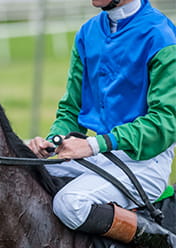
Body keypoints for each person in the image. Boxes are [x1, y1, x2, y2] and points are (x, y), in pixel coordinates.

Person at [28, 0, 176, 247]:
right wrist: (53, 141)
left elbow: (165, 123)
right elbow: (70, 109)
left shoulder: (162, 36)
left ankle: (164, 241)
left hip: (146, 162)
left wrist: (96, 144)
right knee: (22, 175)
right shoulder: (88, 33)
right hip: (99, 156)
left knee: (70, 203)